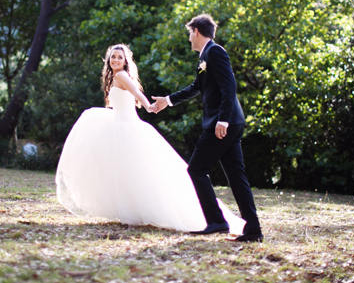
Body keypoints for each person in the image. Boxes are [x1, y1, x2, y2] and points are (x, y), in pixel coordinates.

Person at [55, 43, 244, 233]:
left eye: (120, 57)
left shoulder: (121, 76)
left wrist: (149, 106)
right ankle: (131, 209)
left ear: (126, 61)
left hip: (127, 127)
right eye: (113, 56)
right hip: (119, 125)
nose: (116, 60)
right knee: (126, 171)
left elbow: (137, 94)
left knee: (136, 170)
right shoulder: (113, 78)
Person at [151, 14, 263, 241]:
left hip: (223, 124)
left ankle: (216, 221)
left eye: (190, 33)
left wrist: (223, 119)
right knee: (236, 176)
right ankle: (253, 230)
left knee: (196, 170)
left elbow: (229, 87)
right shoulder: (206, 56)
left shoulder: (215, 52)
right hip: (228, 123)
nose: (189, 38)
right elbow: (196, 87)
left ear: (197, 32)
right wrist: (168, 100)